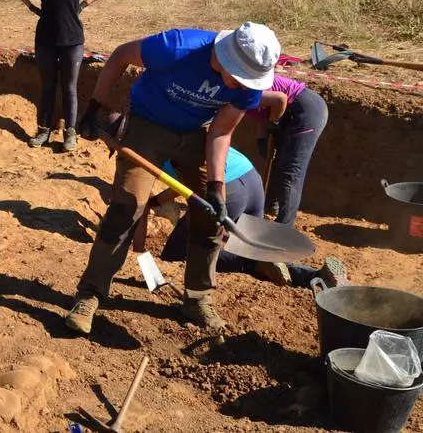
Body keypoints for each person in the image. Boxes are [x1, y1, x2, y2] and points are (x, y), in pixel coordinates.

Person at [65, 21, 281, 333]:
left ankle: (197, 299)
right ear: (227, 58)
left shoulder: (250, 86)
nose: (242, 85)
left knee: (210, 215)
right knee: (127, 205)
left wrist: (217, 187)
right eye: (240, 77)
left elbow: (221, 131)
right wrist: (94, 107)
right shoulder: (178, 47)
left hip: (196, 133)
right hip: (146, 126)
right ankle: (90, 295)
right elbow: (121, 55)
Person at [150, 147, 348, 289]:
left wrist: (150, 206)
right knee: (253, 247)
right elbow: (186, 182)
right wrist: (158, 201)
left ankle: (250, 263)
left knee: (176, 253)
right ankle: (316, 276)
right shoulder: (181, 134)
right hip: (251, 180)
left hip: (227, 190)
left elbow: (190, 183)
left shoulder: (151, 150)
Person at [13, 0, 110, 152]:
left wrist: (83, 5)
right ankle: (43, 131)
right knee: (47, 86)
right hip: (46, 39)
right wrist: (31, 8)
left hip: (72, 40)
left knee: (69, 88)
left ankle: (70, 133)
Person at [250, 75, 328, 227]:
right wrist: (262, 139)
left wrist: (274, 122)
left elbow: (279, 99)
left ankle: (285, 226)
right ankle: (271, 205)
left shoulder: (241, 88)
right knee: (277, 162)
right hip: (286, 112)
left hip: (305, 109)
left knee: (291, 172)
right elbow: (260, 114)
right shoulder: (234, 89)